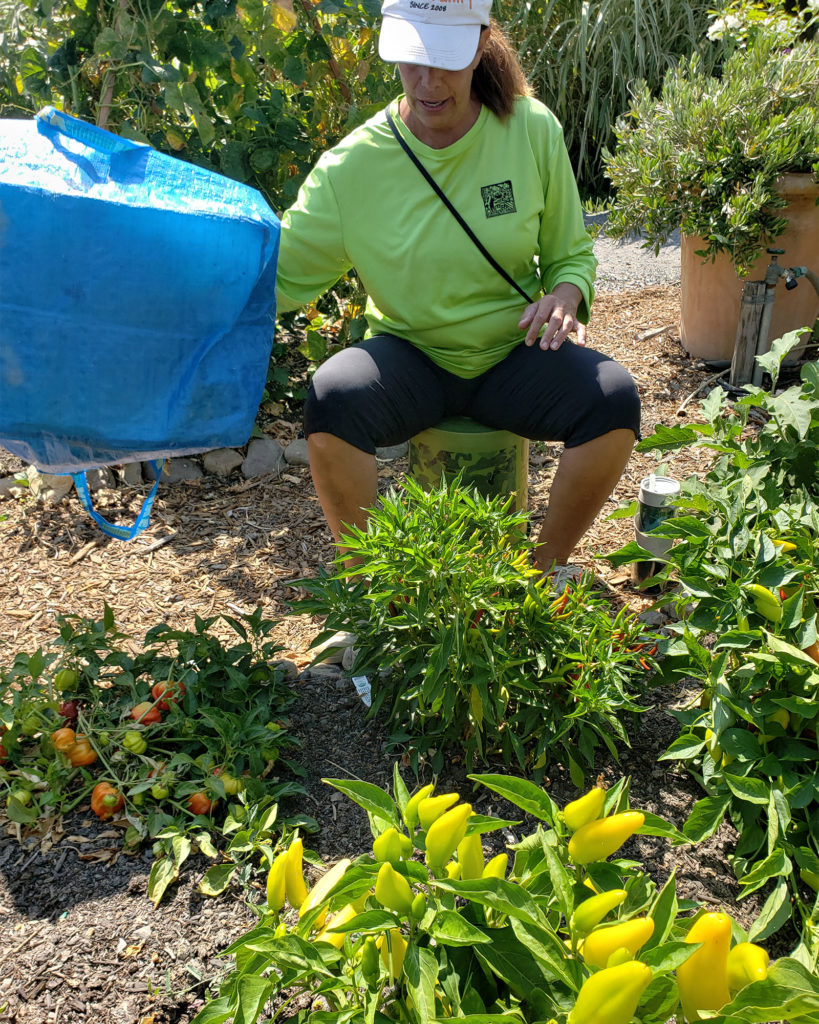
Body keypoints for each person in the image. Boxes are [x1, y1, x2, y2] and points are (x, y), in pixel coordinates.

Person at [275, 0, 640, 575]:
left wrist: (566, 296)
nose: (427, 81)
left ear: (479, 45)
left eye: (445, 60)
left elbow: (571, 254)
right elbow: (275, 278)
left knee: (613, 399)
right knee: (332, 396)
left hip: (511, 354)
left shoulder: (530, 129)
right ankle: (377, 585)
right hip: (411, 356)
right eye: (412, 60)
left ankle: (539, 573)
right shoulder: (352, 168)